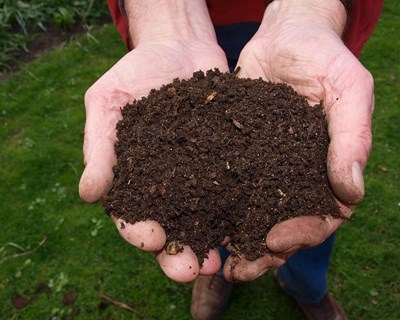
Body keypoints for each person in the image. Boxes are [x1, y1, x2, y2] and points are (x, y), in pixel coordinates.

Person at [79, 0, 383, 319]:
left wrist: (311, 11)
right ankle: (217, 270)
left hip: (308, 22)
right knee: (215, 211)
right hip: (208, 20)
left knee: (312, 204)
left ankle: (308, 288)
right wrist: (167, 18)